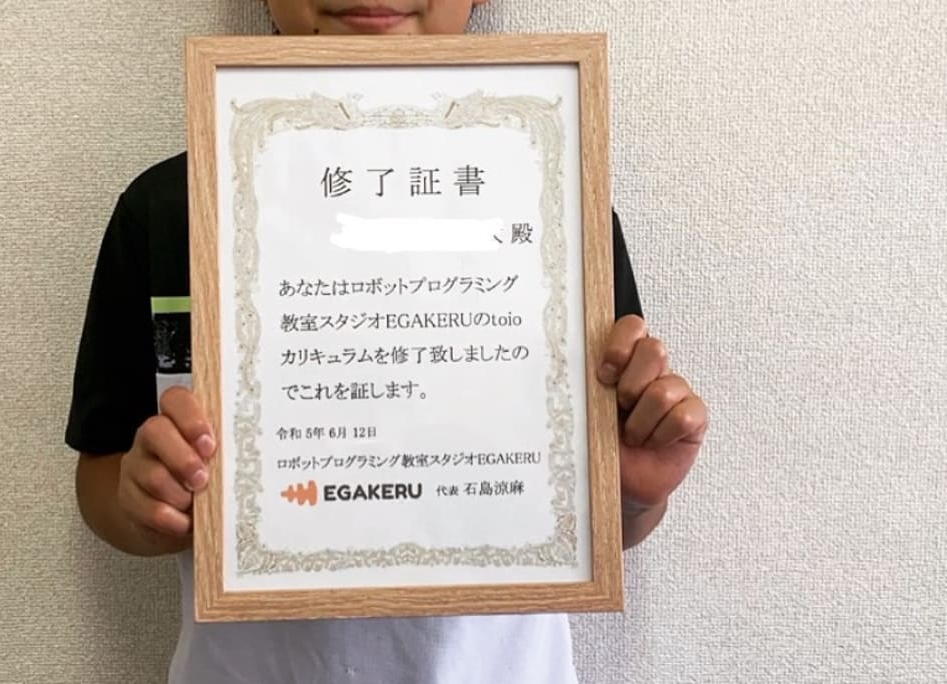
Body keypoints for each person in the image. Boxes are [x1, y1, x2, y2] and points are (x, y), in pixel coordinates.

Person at [66, 1, 710, 682]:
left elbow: (611, 523)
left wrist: (632, 497)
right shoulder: (172, 208)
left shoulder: (556, 199)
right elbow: (100, 472)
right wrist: (143, 505)